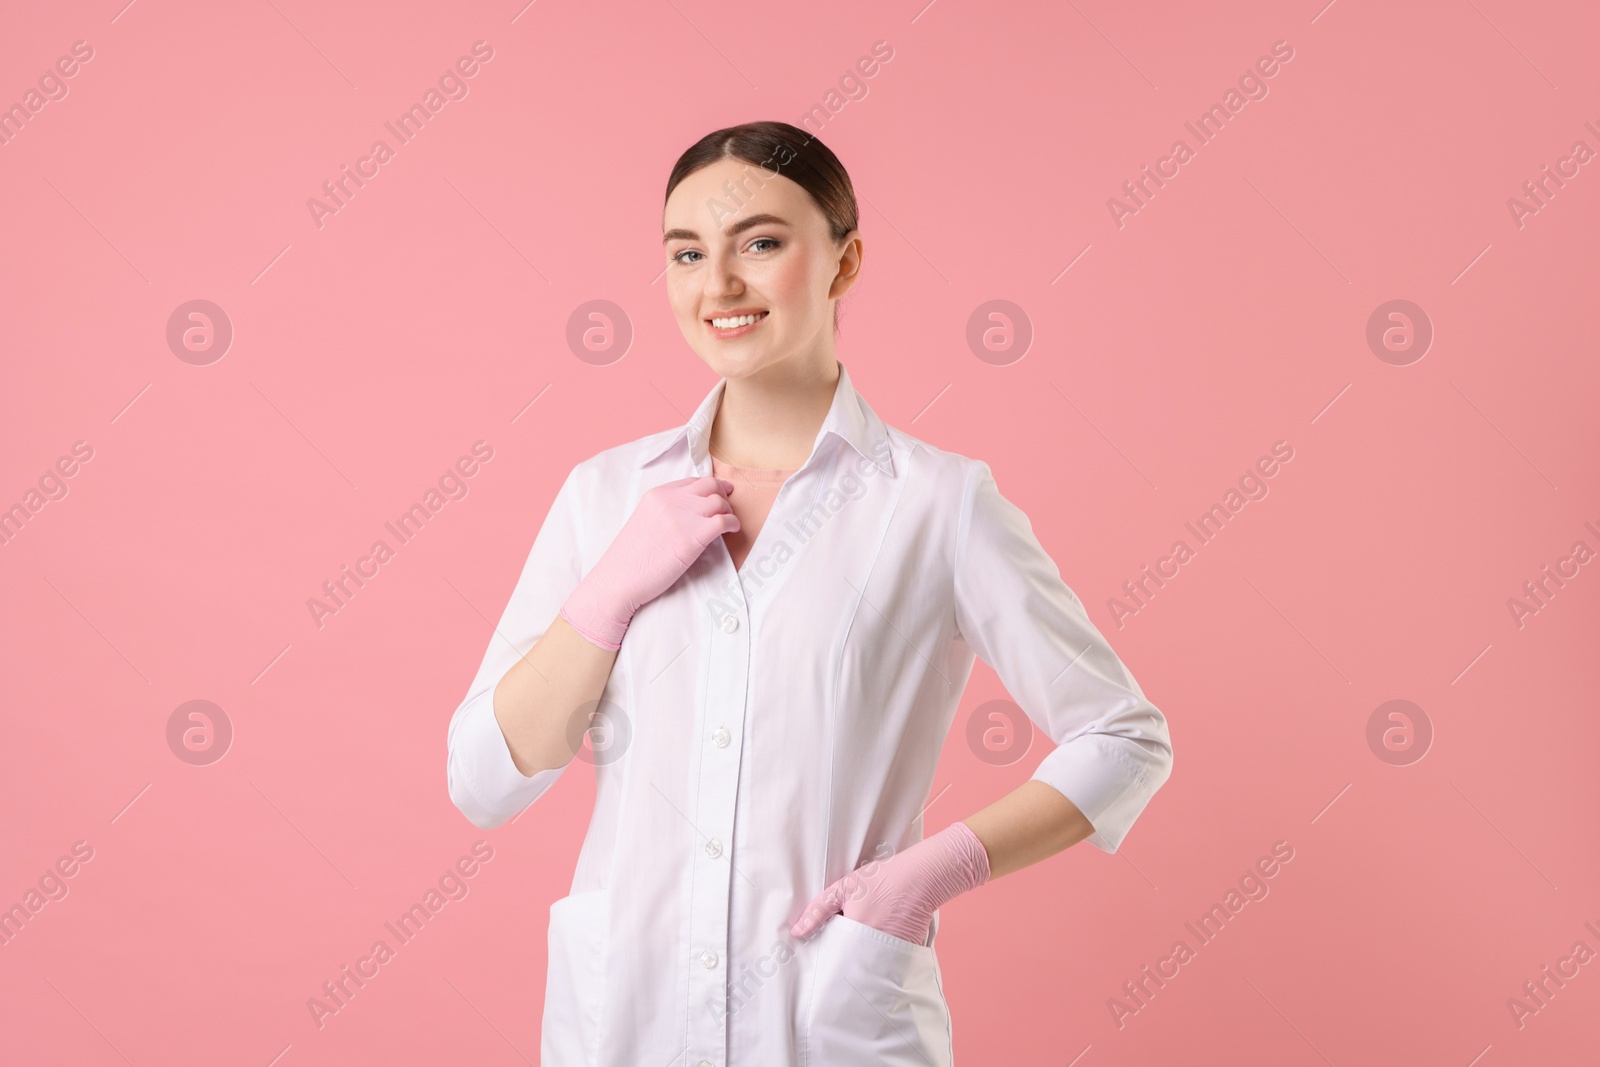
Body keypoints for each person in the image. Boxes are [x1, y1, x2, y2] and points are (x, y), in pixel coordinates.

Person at [445, 120, 1174, 1067]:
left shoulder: (939, 505)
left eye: (760, 242)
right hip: (627, 1025)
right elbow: (485, 780)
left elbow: (1125, 738)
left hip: (831, 1024)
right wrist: (605, 595)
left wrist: (923, 876)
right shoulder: (605, 495)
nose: (719, 286)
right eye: (686, 253)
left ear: (844, 260)